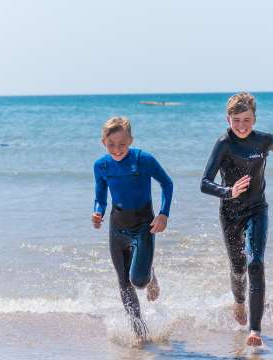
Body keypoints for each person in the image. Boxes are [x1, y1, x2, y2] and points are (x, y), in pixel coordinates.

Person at [200, 92, 273, 347]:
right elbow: (204, 183)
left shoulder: (264, 141)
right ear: (228, 119)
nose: (241, 125)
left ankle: (255, 330)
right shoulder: (223, 143)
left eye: (246, 119)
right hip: (230, 213)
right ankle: (239, 302)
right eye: (236, 120)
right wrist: (229, 191)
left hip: (257, 209)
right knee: (238, 269)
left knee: (255, 264)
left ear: (254, 118)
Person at [92, 116, 173, 341]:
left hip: (143, 225)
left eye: (122, 144)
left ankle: (150, 274)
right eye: (111, 145)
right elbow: (100, 197)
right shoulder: (101, 166)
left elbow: (167, 183)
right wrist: (97, 211)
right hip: (117, 227)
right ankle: (139, 331)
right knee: (123, 282)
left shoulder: (143, 159)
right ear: (103, 143)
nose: (117, 150)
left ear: (131, 140)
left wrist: (164, 214)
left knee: (138, 280)